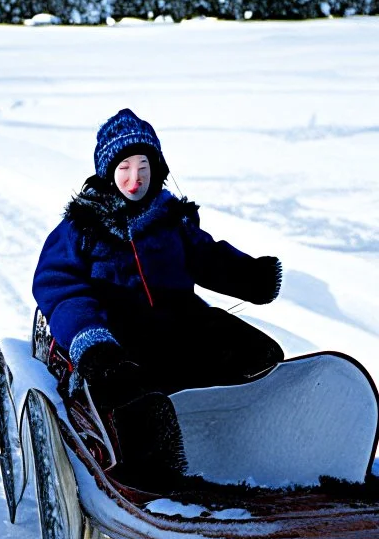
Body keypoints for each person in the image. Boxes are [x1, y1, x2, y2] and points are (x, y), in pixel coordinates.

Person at [33, 108, 284, 491]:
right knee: (139, 400)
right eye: (124, 169)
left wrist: (250, 277)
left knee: (259, 353)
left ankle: (255, 440)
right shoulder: (81, 228)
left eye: (143, 167)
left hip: (181, 326)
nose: (135, 179)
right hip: (118, 341)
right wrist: (91, 340)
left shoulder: (169, 219)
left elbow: (208, 257)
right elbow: (61, 286)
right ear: (107, 172)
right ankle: (160, 482)